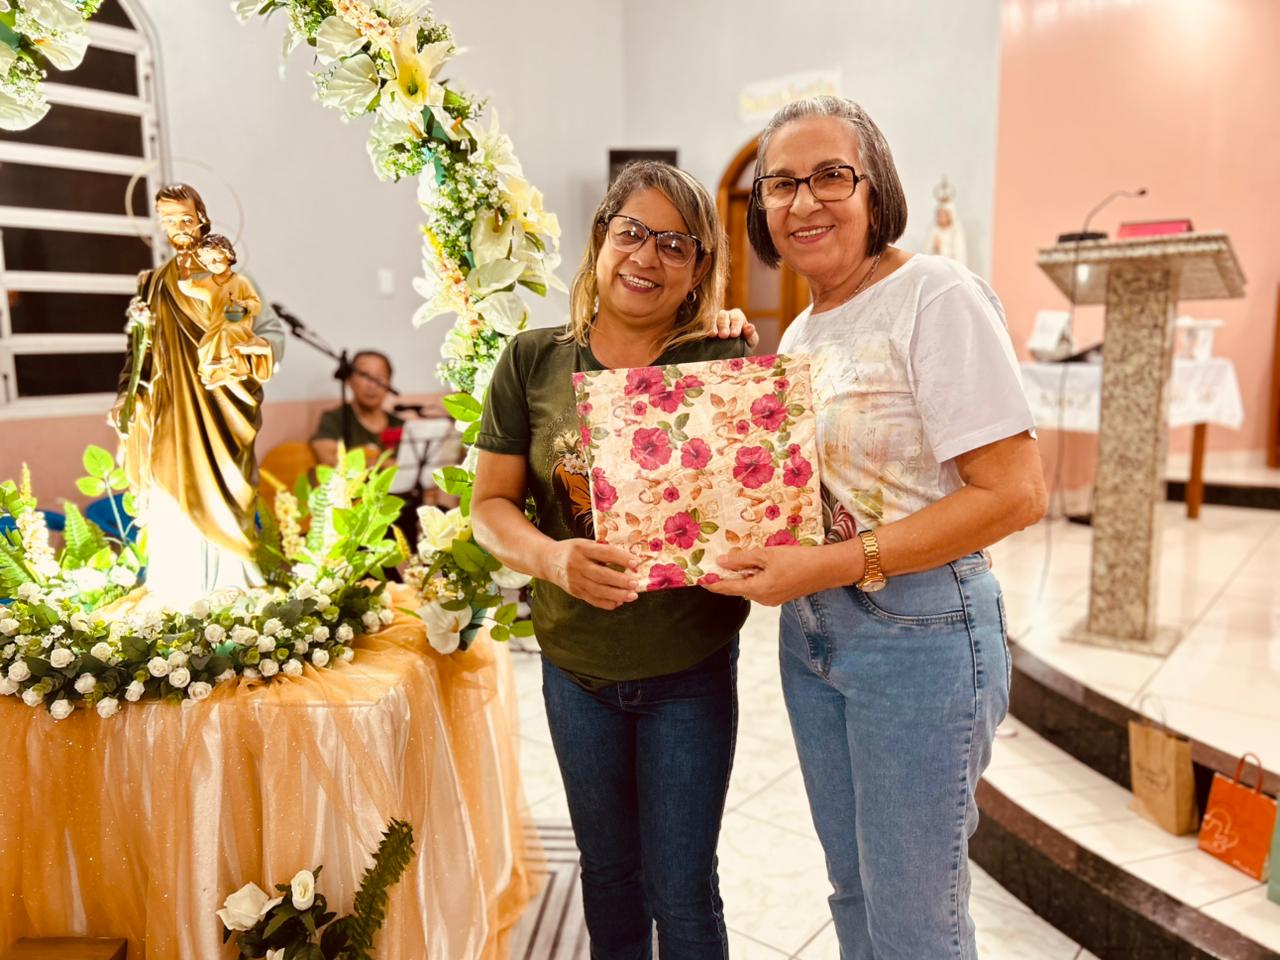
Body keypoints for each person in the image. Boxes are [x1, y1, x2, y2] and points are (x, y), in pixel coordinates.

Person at [706, 96, 1046, 960]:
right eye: (781, 183)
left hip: (920, 635)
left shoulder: (934, 294)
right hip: (816, 634)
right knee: (854, 890)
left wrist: (826, 566)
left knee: (915, 922)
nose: (804, 201)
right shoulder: (803, 330)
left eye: (831, 176)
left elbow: (1014, 494)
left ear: (875, 188)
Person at [471, 161, 756, 959]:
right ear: (602, 237)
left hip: (689, 669)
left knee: (683, 890)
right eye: (632, 232)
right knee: (608, 876)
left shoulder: (716, 363)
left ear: (698, 268)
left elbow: (753, 500)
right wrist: (552, 559)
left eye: (675, 244)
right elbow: (489, 507)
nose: (646, 256)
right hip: (577, 671)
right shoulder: (532, 360)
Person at [111, 183, 275, 606]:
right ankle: (178, 585)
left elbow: (266, 329)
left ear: (202, 218)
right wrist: (127, 394)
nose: (179, 228)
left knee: (225, 485)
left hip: (221, 402)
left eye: (185, 219)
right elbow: (139, 349)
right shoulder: (151, 284)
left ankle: (231, 581)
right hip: (169, 404)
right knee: (168, 484)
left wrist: (246, 348)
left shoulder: (234, 279)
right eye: (169, 221)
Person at [310, 350, 404, 467]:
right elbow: (328, 458)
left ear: (389, 383)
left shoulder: (401, 425)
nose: (372, 385)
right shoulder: (335, 419)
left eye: (379, 377)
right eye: (364, 375)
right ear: (349, 380)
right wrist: (385, 464)